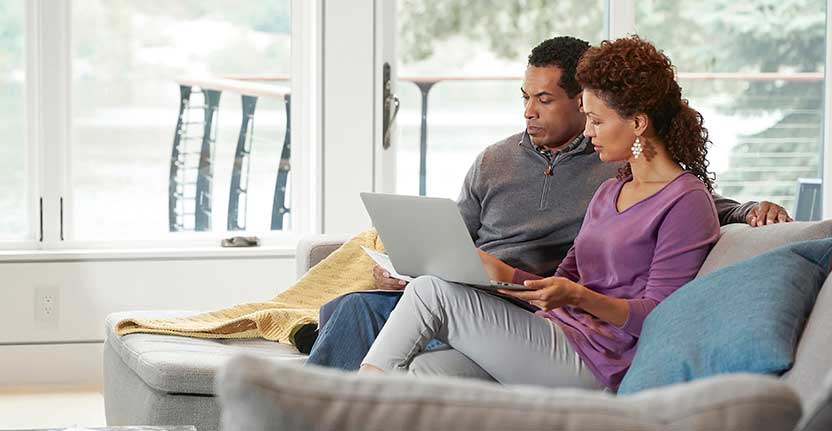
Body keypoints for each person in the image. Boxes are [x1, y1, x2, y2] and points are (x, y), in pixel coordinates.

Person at [305, 36, 792, 377]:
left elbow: (658, 311)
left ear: (635, 122)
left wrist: (751, 209)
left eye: (595, 119)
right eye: (525, 97)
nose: (588, 130)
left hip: (597, 355)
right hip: (538, 319)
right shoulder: (608, 187)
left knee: (428, 295)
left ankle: (331, 407)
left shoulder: (675, 197)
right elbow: (564, 275)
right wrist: (503, 274)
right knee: (418, 366)